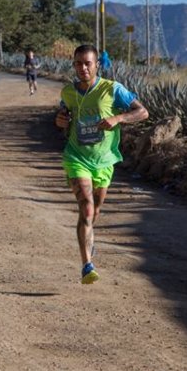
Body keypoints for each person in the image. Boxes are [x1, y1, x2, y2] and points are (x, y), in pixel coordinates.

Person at [55, 44, 149, 284]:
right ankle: (87, 265)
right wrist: (60, 121)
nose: (83, 68)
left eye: (88, 63)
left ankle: (88, 238)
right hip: (76, 157)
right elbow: (63, 119)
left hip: (104, 161)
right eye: (78, 63)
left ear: (97, 65)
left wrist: (118, 118)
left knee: (94, 211)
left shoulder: (113, 89)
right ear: (73, 65)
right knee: (86, 208)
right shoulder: (68, 92)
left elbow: (142, 112)